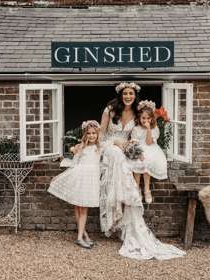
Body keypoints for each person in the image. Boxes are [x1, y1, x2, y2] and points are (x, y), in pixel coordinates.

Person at [99, 82, 186, 259]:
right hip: (110, 145)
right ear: (120, 95)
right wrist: (115, 143)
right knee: (117, 156)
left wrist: (132, 146)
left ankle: (128, 211)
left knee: (131, 160)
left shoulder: (137, 114)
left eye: (131, 93)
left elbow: (141, 134)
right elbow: (101, 134)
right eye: (125, 93)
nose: (128, 96)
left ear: (134, 95)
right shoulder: (110, 110)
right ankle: (118, 208)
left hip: (127, 147)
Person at [48, 120, 101, 249]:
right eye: (89, 133)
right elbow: (74, 164)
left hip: (90, 180)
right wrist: (60, 176)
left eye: (94, 133)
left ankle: (84, 236)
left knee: (82, 209)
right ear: (85, 134)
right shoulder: (81, 147)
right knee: (79, 209)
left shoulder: (100, 148)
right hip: (80, 178)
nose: (92, 135)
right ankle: (80, 238)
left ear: (98, 134)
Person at [130, 100, 168, 204]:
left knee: (148, 161)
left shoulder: (154, 129)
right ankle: (136, 189)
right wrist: (139, 153)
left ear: (152, 119)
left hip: (151, 148)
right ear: (139, 118)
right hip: (138, 149)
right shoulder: (136, 129)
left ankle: (147, 190)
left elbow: (149, 142)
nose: (145, 120)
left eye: (148, 118)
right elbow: (134, 143)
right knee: (136, 161)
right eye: (143, 118)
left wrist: (148, 129)